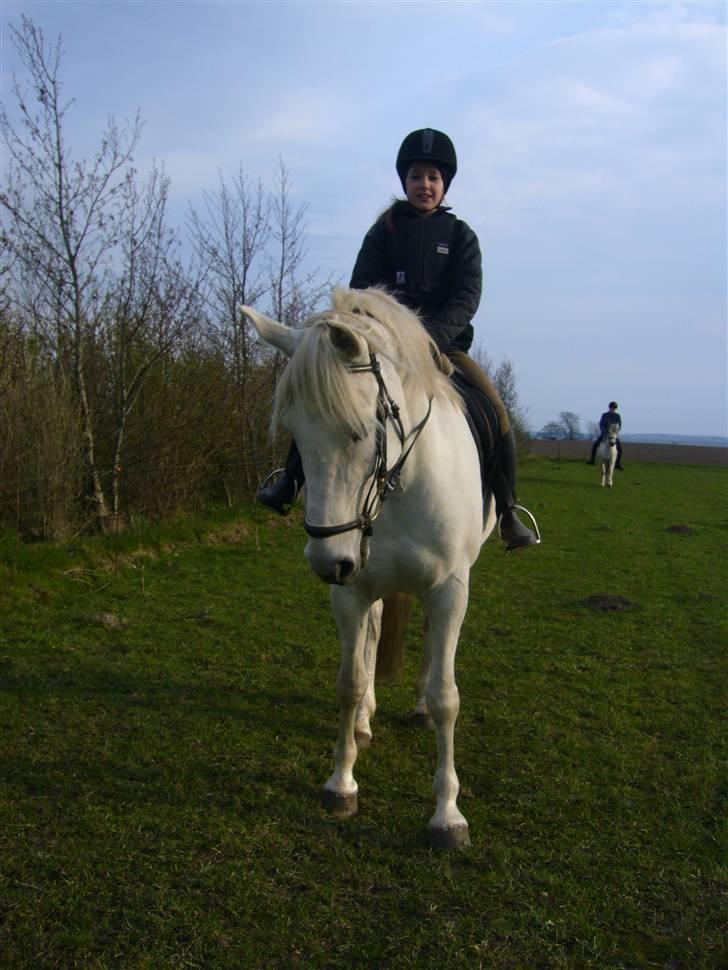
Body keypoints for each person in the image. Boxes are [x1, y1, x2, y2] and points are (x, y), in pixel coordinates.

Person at [257, 127, 539, 551]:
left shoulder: (462, 237)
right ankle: (288, 480)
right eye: (416, 177)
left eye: (432, 178)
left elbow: (467, 296)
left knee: (495, 411)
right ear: (404, 182)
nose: (424, 185)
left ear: (445, 184)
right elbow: (359, 290)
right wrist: (381, 336)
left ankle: (509, 510)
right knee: (327, 402)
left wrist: (432, 340)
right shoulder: (383, 233)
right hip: (383, 348)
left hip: (445, 348)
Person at [587, 401, 624, 469]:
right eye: (612, 408)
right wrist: (604, 431)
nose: (613, 409)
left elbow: (619, 426)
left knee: (620, 448)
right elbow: (601, 424)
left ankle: (618, 464)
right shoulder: (604, 415)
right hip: (605, 434)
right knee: (595, 445)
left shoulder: (617, 416)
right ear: (609, 408)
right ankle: (592, 460)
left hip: (613, 435)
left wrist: (615, 432)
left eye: (614, 408)